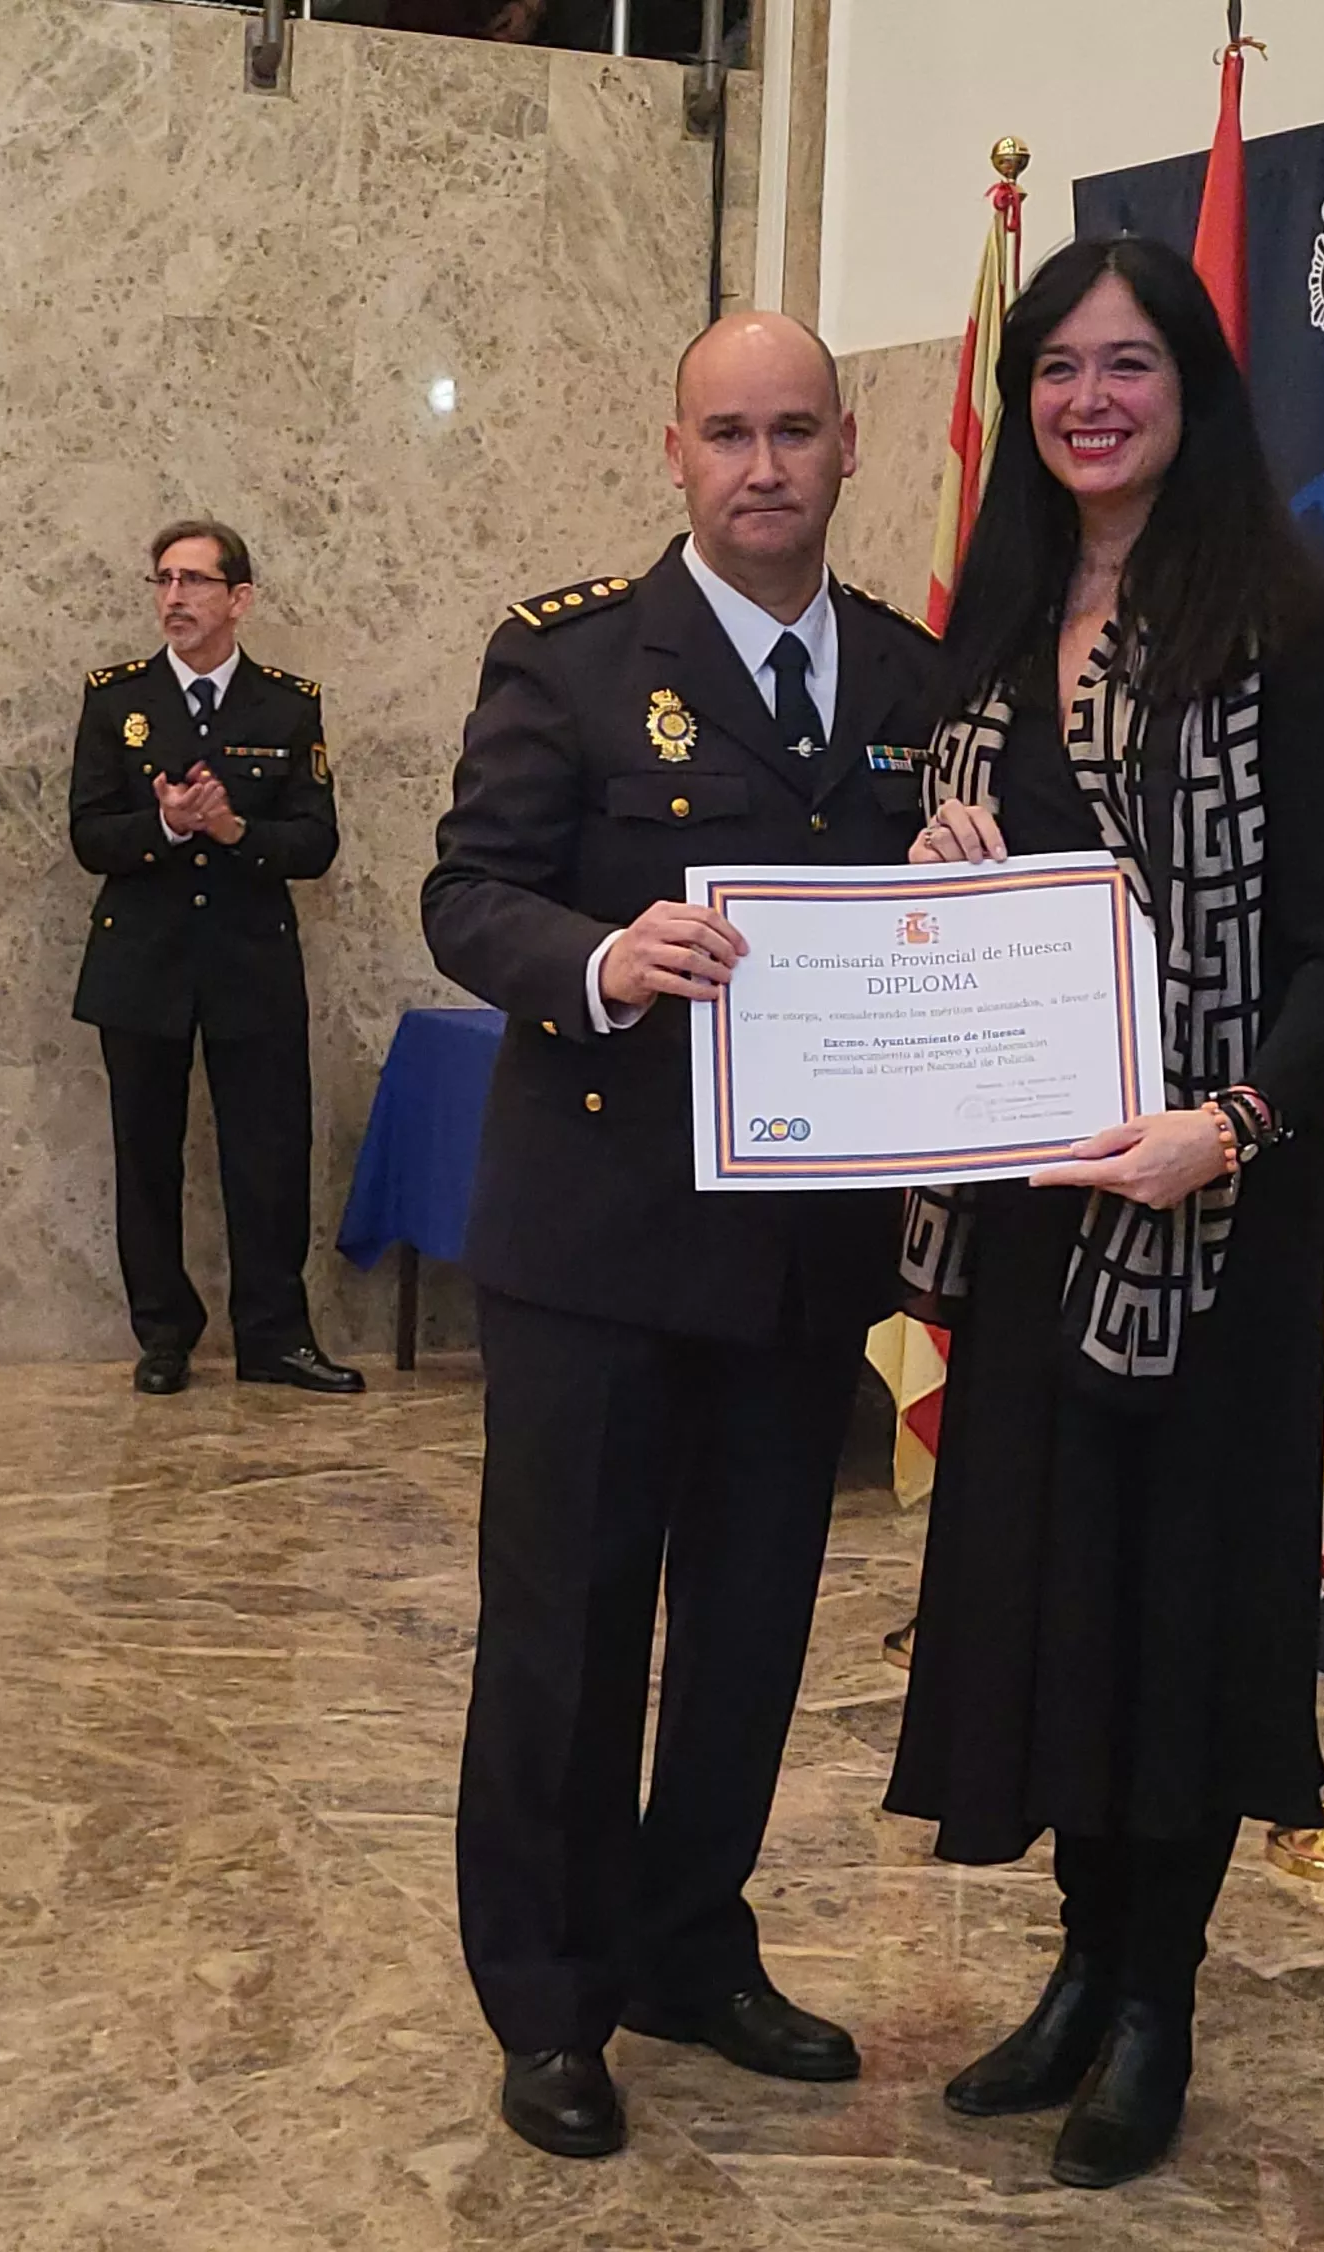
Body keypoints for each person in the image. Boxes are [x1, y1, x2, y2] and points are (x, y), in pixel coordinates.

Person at [884, 234, 1324, 2190]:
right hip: (1033, 1206)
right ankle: (1079, 1969)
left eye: (1126, 366)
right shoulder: (998, 626)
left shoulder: (1282, 621)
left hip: (1212, 1217)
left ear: (1189, 387)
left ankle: (1158, 1999)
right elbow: (964, 894)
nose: (1087, 400)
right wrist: (942, 850)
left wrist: (1229, 1120)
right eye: (1055, 371)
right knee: (1059, 1598)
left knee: (1178, 1606)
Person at [420, 313, 941, 2160]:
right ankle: (550, 1997)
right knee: (561, 1634)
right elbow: (465, 894)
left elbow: (938, 940)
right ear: (673, 452)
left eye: (794, 428)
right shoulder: (565, 662)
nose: (762, 465)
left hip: (800, 1257)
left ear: (847, 444)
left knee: (745, 1634)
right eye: (726, 432)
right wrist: (598, 961)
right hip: (594, 1241)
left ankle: (685, 1943)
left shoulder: (908, 676)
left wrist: (959, 888)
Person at [69, 521, 365, 1398]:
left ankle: (274, 1337)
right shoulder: (113, 699)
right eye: (162, 580)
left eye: (195, 582)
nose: (174, 599)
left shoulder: (287, 704)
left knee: (268, 1157)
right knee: (146, 1157)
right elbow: (89, 834)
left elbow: (315, 843)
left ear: (238, 599)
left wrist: (236, 831)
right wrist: (166, 824)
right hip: (143, 965)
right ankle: (164, 1337)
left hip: (250, 963)